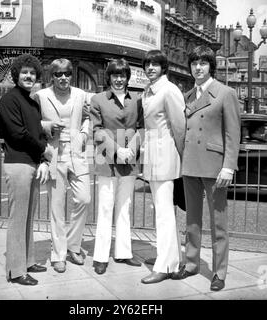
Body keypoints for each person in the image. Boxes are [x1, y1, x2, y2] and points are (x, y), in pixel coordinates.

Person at [172, 45, 241, 291]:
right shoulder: (188, 95)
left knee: (218, 223)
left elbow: (233, 134)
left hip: (215, 167)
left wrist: (229, 167)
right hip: (190, 164)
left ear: (211, 66)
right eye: (194, 63)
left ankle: (219, 272)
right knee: (191, 219)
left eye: (203, 63)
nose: (198, 68)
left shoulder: (225, 93)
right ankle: (191, 263)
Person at [33, 58, 91, 273]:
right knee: (57, 206)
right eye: (58, 74)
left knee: (84, 198)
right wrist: (46, 125)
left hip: (77, 152)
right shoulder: (41, 96)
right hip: (54, 154)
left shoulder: (81, 94)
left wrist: (85, 133)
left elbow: (90, 116)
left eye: (67, 73)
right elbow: (31, 121)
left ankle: (73, 245)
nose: (63, 78)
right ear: (52, 76)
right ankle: (58, 254)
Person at [0, 54, 50, 286]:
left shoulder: (32, 101)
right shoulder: (10, 99)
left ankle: (28, 262)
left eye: (32, 73)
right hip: (18, 163)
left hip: (32, 163)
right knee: (18, 218)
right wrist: (44, 149)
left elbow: (37, 131)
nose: (29, 76)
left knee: (29, 216)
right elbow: (18, 134)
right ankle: (16, 271)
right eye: (24, 72)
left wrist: (41, 157)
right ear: (16, 75)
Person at [90, 58, 143, 275]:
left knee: (124, 207)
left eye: (122, 75)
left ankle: (123, 253)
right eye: (115, 75)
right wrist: (116, 149)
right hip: (106, 160)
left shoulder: (137, 100)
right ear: (109, 77)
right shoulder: (98, 99)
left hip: (129, 159)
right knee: (105, 208)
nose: (119, 79)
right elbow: (96, 130)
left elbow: (142, 128)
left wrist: (131, 147)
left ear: (127, 77)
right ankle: (101, 257)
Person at [140, 50, 186, 284]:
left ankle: (165, 266)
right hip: (154, 158)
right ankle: (173, 260)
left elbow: (180, 127)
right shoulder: (147, 92)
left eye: (155, 64)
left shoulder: (169, 90)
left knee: (165, 214)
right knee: (163, 211)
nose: (150, 68)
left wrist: (181, 158)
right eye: (147, 64)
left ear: (163, 67)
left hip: (166, 158)